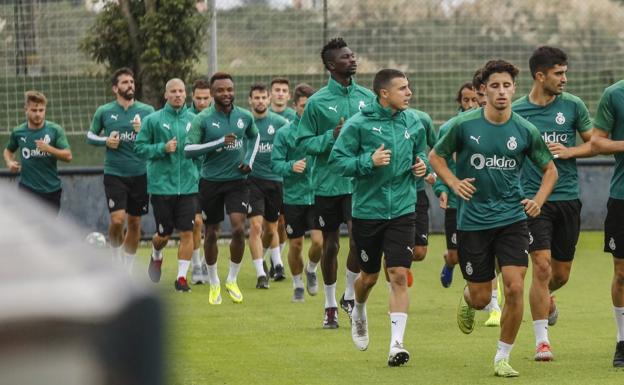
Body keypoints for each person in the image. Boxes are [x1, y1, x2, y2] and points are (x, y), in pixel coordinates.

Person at [430, 59, 558, 377]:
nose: (501, 91)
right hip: (473, 222)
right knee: (481, 297)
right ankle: (468, 297)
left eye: (506, 85)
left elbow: (550, 170)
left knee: (515, 288)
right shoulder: (463, 126)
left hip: (512, 219)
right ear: (483, 90)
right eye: (495, 86)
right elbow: (436, 156)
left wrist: (539, 202)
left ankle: (502, 356)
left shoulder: (525, 130)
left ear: (514, 89)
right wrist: (452, 182)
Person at [329, 68, 427, 366]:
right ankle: (358, 309)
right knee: (368, 277)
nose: (409, 93)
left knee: (398, 275)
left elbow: (421, 155)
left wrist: (422, 167)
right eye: (403, 88)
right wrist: (367, 162)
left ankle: (396, 345)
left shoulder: (415, 121)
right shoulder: (359, 124)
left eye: (409, 87)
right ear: (384, 93)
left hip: (402, 210)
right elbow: (337, 162)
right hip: (367, 212)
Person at [512, 46, 593, 361]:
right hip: (533, 201)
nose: (564, 78)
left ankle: (549, 297)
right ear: (540, 75)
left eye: (565, 72)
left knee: (559, 274)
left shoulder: (573, 105)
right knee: (541, 267)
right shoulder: (517, 111)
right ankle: (542, 342)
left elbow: (593, 142)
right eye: (558, 73)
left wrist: (568, 152)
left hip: (568, 198)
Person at [296, 37, 375, 328]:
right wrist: (332, 136)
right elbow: (303, 142)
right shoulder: (317, 103)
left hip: (359, 184)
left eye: (353, 55)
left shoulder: (368, 98)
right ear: (331, 65)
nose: (352, 60)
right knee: (330, 246)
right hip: (328, 185)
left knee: (358, 239)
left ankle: (348, 293)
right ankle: (329, 304)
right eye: (345, 57)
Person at [184, 72, 259, 305]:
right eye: (220, 90)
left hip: (237, 182)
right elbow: (188, 149)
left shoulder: (244, 116)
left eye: (229, 89)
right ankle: (214, 281)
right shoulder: (203, 119)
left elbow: (254, 137)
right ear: (213, 93)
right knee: (212, 232)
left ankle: (232, 280)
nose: (226, 94)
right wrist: (218, 142)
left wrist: (249, 160)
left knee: (239, 229)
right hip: (210, 183)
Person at [435, 81, 503, 327]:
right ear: (460, 102)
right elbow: (439, 161)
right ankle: (452, 268)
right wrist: (443, 188)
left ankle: (495, 307)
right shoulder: (453, 128)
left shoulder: (500, 125)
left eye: (476, 99)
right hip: (459, 205)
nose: (472, 104)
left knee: (496, 257)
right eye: (467, 100)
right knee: (456, 256)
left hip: (492, 205)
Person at [86, 67, 155, 271]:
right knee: (117, 221)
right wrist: (106, 141)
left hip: (140, 173)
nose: (130, 85)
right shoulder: (105, 111)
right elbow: (90, 136)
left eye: (132, 82)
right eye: (125, 82)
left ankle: (128, 268)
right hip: (115, 173)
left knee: (134, 222)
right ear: (115, 88)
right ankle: (115, 257)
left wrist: (141, 131)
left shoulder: (147, 112)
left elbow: (157, 139)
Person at [135, 78, 198, 292]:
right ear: (166, 95)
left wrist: (196, 171)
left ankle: (181, 278)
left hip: (189, 186)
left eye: (181, 91)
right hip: (162, 187)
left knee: (188, 232)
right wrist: (162, 148)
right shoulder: (153, 120)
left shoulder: (194, 119)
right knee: (164, 234)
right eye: (173, 91)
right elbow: (139, 148)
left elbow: (201, 149)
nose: (178, 94)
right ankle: (156, 253)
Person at [272, 83, 323, 302]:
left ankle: (311, 269)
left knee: (320, 242)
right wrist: (291, 166)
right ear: (295, 106)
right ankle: (297, 284)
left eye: (311, 106)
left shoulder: (322, 130)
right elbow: (275, 164)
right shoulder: (284, 133)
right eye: (303, 106)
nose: (307, 110)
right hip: (294, 197)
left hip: (319, 194)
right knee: (296, 244)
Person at [590, 79, 624, 368]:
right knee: (622, 272)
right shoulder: (614, 95)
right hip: (622, 196)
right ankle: (622, 340)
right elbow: (597, 141)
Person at [246, 83, 289, 289]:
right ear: (250, 100)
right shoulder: (244, 122)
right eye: (257, 97)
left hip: (275, 180)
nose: (260, 101)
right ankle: (261, 273)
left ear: (269, 99)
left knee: (272, 230)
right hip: (252, 181)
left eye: (264, 97)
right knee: (255, 226)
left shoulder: (280, 123)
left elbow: (291, 146)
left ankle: (263, 257)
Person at [4, 90, 72, 214]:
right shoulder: (18, 132)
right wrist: (9, 162)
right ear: (26, 109)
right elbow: (8, 151)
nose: (38, 114)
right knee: (28, 229)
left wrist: (49, 149)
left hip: (51, 190)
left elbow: (68, 156)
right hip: (27, 190)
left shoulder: (55, 130)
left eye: (41, 110)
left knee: (45, 231)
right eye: (34, 110)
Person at [269, 77, 297, 274]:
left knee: (283, 223)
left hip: (288, 180)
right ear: (270, 94)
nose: (280, 93)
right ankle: (276, 263)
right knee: (267, 222)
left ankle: (276, 256)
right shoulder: (262, 115)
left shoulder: (295, 118)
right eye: (276, 90)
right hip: (266, 178)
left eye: (283, 90)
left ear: (288, 95)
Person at [188, 78, 212, 285]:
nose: (202, 102)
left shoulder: (220, 118)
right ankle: (195, 264)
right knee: (196, 222)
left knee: (213, 225)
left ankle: (205, 262)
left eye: (206, 98)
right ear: (192, 97)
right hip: (192, 179)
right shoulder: (188, 118)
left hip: (215, 179)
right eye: (198, 98)